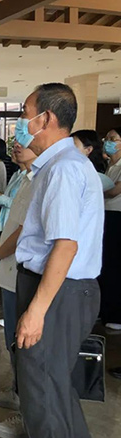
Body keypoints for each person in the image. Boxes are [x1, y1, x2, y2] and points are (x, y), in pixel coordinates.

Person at [14, 83, 103, 438]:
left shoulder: (64, 169)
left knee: (44, 397)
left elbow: (65, 246)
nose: (21, 123)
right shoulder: (61, 165)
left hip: (57, 291)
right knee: (54, 388)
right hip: (60, 289)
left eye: (25, 114)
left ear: (45, 118)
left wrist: (36, 311)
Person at [0, 142, 37, 438]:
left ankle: (29, 414)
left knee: (25, 347)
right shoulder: (22, 177)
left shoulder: (43, 180)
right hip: (9, 267)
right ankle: (17, 392)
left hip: (24, 269)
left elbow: (23, 231)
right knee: (12, 341)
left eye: (25, 141)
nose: (16, 146)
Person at [99, 126, 121, 331]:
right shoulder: (109, 166)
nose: (108, 142)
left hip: (117, 217)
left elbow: (114, 191)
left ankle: (116, 313)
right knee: (104, 263)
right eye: (107, 138)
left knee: (114, 265)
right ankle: (104, 309)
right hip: (105, 215)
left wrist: (96, 190)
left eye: (113, 139)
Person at [0, 147, 24, 234]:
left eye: (18, 150)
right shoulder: (16, 174)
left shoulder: (30, 177)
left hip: (16, 223)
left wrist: (1, 199)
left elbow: (23, 205)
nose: (13, 153)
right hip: (6, 220)